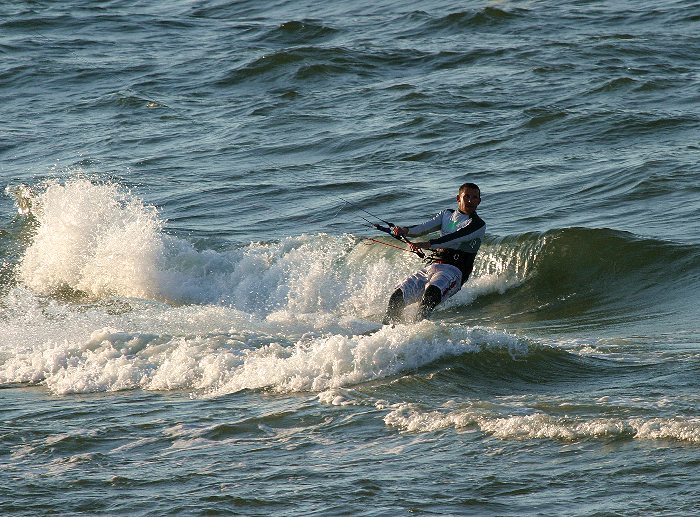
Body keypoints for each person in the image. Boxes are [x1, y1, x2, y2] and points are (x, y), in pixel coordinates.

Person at [383, 182, 486, 324]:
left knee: (430, 296)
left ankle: (418, 334)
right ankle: (387, 332)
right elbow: (423, 228)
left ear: (479, 201)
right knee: (396, 298)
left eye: (474, 198)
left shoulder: (477, 224)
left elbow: (453, 238)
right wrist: (404, 230)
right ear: (458, 198)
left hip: (454, 272)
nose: (470, 200)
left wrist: (426, 244)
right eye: (466, 196)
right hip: (432, 267)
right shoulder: (446, 215)